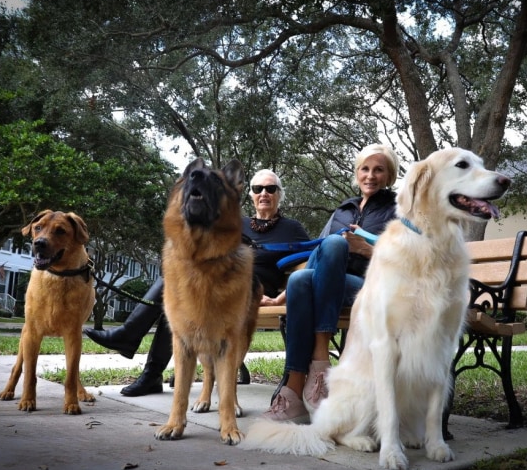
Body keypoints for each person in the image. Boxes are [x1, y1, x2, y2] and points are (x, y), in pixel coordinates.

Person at [84, 169, 309, 396]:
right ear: (250, 195)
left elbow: (310, 265)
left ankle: (134, 344)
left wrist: (282, 297)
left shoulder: (292, 229)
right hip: (217, 285)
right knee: (177, 288)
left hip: (253, 290)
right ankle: (148, 368)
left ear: (279, 194)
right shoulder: (236, 222)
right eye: (257, 189)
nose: (264, 194)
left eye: (270, 189)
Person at [263, 143, 400, 422]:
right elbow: (320, 253)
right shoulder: (344, 209)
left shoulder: (397, 209)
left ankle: (318, 360)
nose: (370, 176)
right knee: (302, 278)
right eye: (365, 169)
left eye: (379, 170)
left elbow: (406, 259)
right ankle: (295, 392)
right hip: (329, 285)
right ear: (356, 173)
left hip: (369, 286)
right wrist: (281, 298)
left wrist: (364, 249)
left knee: (334, 247)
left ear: (389, 175)